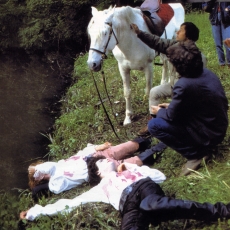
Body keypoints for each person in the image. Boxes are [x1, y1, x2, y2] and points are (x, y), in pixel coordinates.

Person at [20, 156, 230, 229]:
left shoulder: (134, 172)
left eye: (108, 158)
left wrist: (132, 168)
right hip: (127, 205)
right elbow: (69, 203)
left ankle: (220, 210)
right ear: (100, 173)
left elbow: (159, 176)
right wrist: (34, 212)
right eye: (103, 162)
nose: (109, 160)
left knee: (153, 205)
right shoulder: (100, 188)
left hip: (144, 189)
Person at [131, 26, 229, 176]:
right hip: (217, 126)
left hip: (209, 134)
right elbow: (197, 103)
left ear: (178, 65)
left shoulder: (184, 84)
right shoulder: (206, 73)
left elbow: (171, 116)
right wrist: (171, 106)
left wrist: (161, 111)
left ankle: (195, 154)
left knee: (154, 125)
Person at [134, 22, 207, 136]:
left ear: (188, 36)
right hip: (173, 85)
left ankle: (176, 126)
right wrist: (140, 33)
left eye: (181, 30)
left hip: (185, 92)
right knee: (154, 92)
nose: (177, 32)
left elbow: (197, 86)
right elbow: (157, 42)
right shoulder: (174, 45)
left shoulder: (198, 57)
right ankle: (153, 122)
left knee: (178, 116)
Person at [28, 136, 166, 196]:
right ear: (40, 178)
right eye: (39, 172)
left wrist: (97, 148)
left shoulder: (61, 164)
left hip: (98, 156)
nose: (43, 168)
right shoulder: (55, 184)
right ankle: (162, 146)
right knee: (135, 162)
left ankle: (150, 138)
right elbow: (50, 168)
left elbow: (80, 154)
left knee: (131, 145)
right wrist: (37, 172)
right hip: (97, 168)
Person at [203, 0, 230, 67]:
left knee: (227, 42)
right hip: (215, 19)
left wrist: (228, 9)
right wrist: (209, 3)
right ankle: (222, 63)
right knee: (218, 44)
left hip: (227, 19)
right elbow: (204, 7)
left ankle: (229, 62)